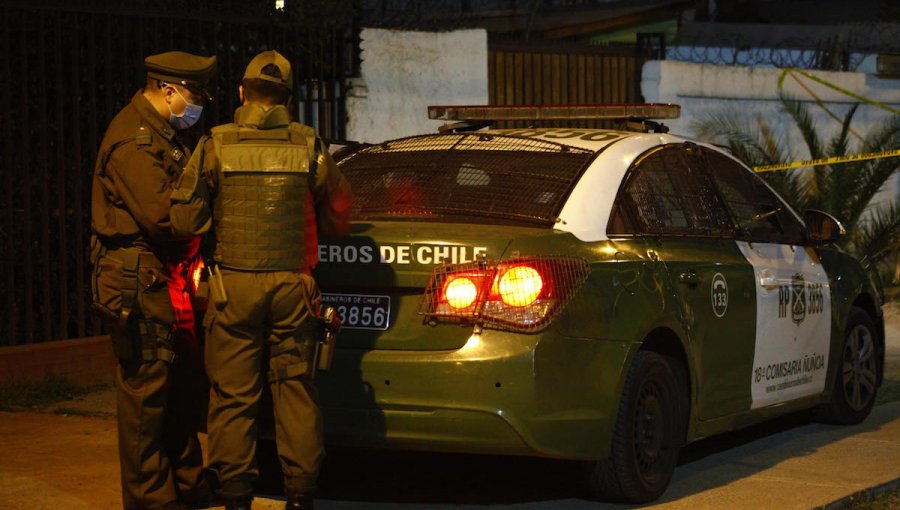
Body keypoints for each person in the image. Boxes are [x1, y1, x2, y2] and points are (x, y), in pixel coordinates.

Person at [169, 50, 352, 510]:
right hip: (293, 287)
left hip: (234, 289)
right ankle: (300, 494)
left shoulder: (215, 142)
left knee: (232, 397)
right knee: (296, 390)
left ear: (242, 92)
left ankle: (235, 496)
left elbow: (187, 221)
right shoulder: (309, 144)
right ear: (288, 98)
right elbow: (337, 217)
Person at [90, 50, 217, 510]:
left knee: (179, 386)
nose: (200, 102)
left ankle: (187, 482)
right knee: (147, 395)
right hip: (138, 279)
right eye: (195, 93)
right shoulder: (135, 141)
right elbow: (165, 219)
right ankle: (150, 499)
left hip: (164, 278)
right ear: (167, 90)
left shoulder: (162, 134)